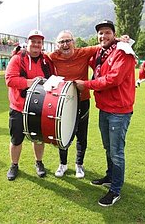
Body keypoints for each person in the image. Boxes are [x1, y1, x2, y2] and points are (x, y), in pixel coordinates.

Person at [75, 20, 136, 207]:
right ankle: (110, 177)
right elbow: (91, 62)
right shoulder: (102, 52)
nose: (103, 36)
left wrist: (86, 84)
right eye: (100, 33)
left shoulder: (123, 51)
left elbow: (113, 79)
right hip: (105, 108)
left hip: (119, 110)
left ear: (114, 34)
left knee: (116, 152)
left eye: (107, 32)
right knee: (109, 148)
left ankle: (115, 190)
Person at [49, 30, 100, 179]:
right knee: (62, 132)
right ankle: (63, 164)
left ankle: (79, 165)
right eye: (61, 42)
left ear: (74, 42)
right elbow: (39, 55)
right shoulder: (53, 56)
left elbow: (102, 44)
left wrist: (120, 39)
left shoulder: (83, 52)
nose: (65, 44)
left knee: (81, 134)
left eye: (67, 41)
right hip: (63, 101)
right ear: (57, 45)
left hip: (82, 100)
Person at [5, 30, 55, 181]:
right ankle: (14, 165)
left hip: (39, 107)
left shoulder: (46, 60)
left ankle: (39, 163)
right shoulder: (17, 59)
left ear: (42, 44)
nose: (36, 44)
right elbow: (9, 80)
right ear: (27, 43)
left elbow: (52, 78)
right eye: (33, 41)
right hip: (19, 107)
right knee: (16, 139)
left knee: (38, 138)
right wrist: (30, 82)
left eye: (39, 42)